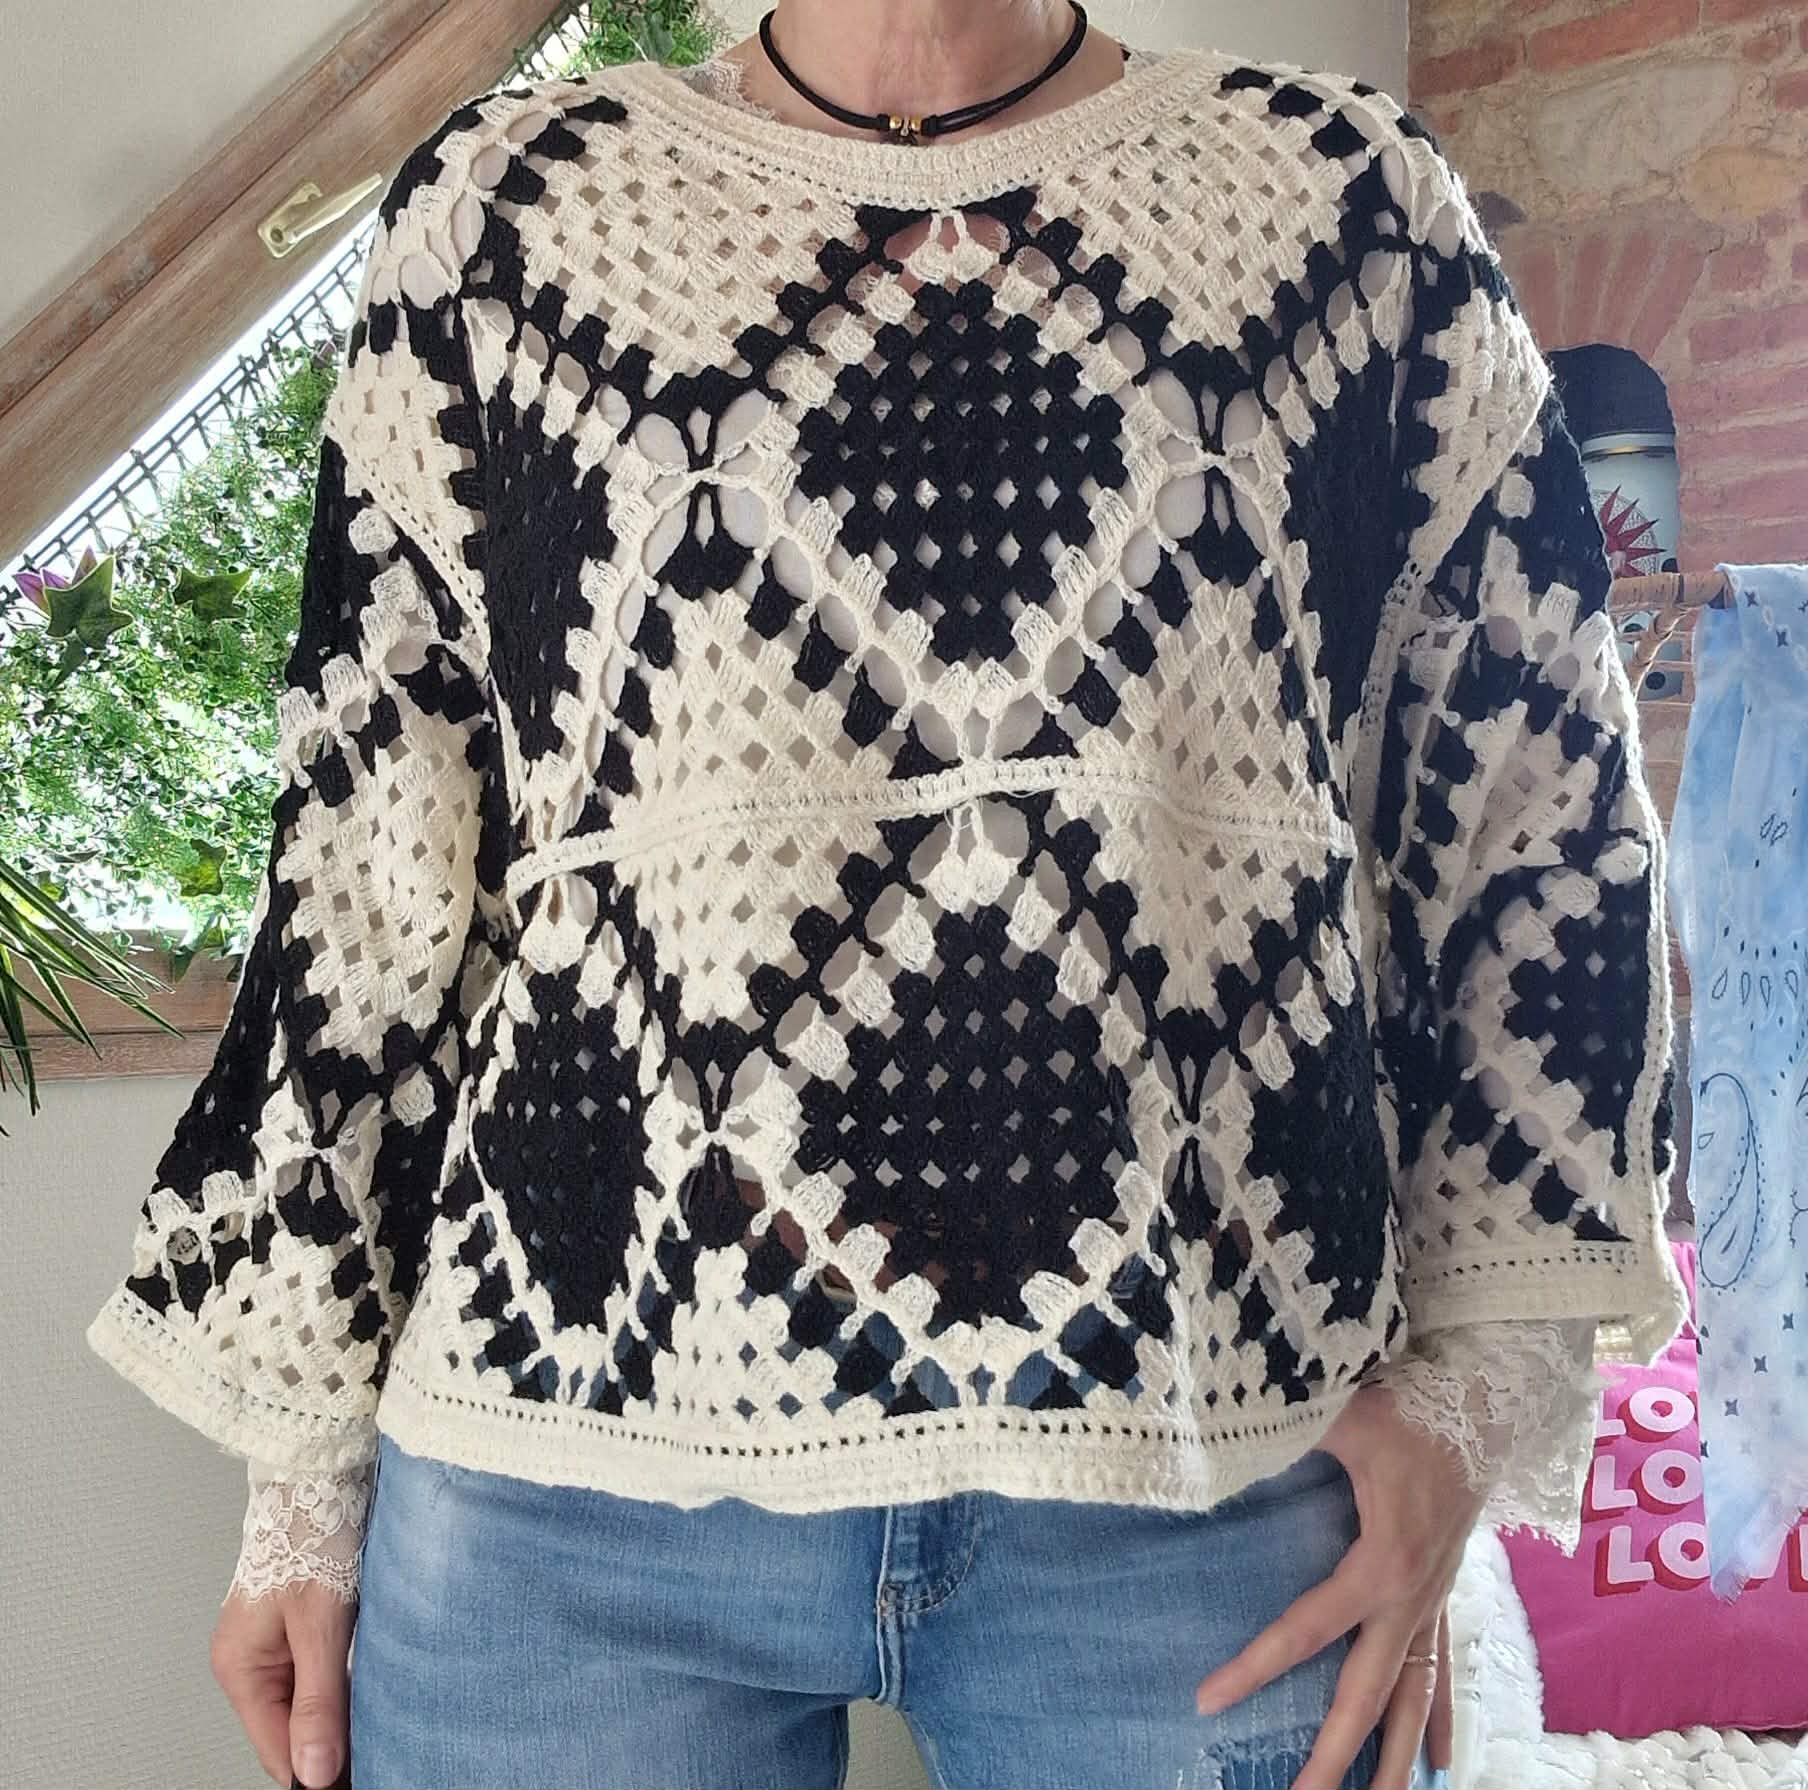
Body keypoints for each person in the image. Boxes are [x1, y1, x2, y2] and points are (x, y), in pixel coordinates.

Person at [85, 3, 1689, 1787]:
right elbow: (371, 855)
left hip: (1197, 1459)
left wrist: (1480, 1391)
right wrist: (301, 1486)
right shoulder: (504, 216)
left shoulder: (1344, 203)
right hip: (569, 1485)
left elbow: (1537, 809)